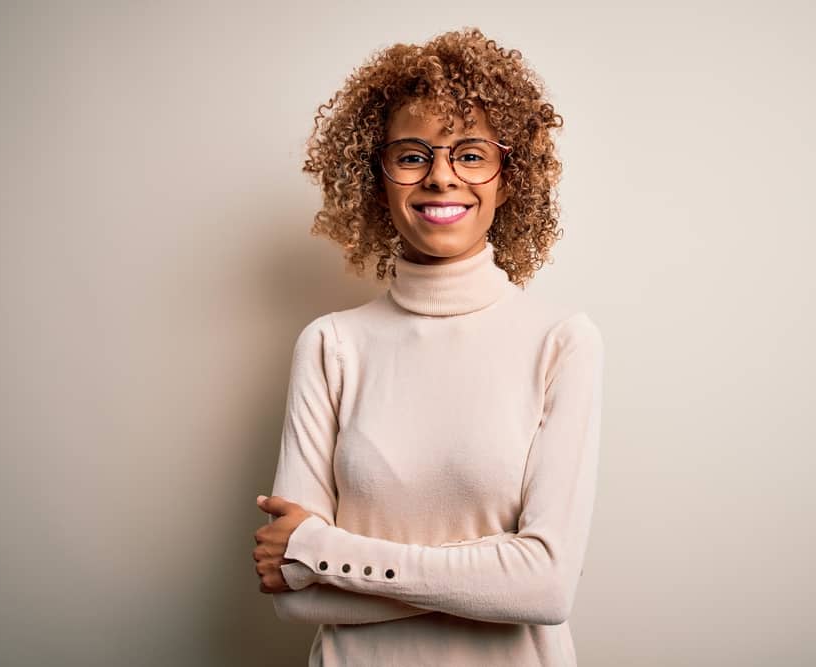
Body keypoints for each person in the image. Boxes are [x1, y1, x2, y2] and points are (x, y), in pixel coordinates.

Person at [251, 26, 605, 666]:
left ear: (509, 176)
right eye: (412, 156)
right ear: (376, 177)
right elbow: (294, 595)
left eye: (470, 155)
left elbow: (547, 586)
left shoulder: (561, 342)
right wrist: (492, 578)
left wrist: (325, 554)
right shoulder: (331, 344)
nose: (442, 177)